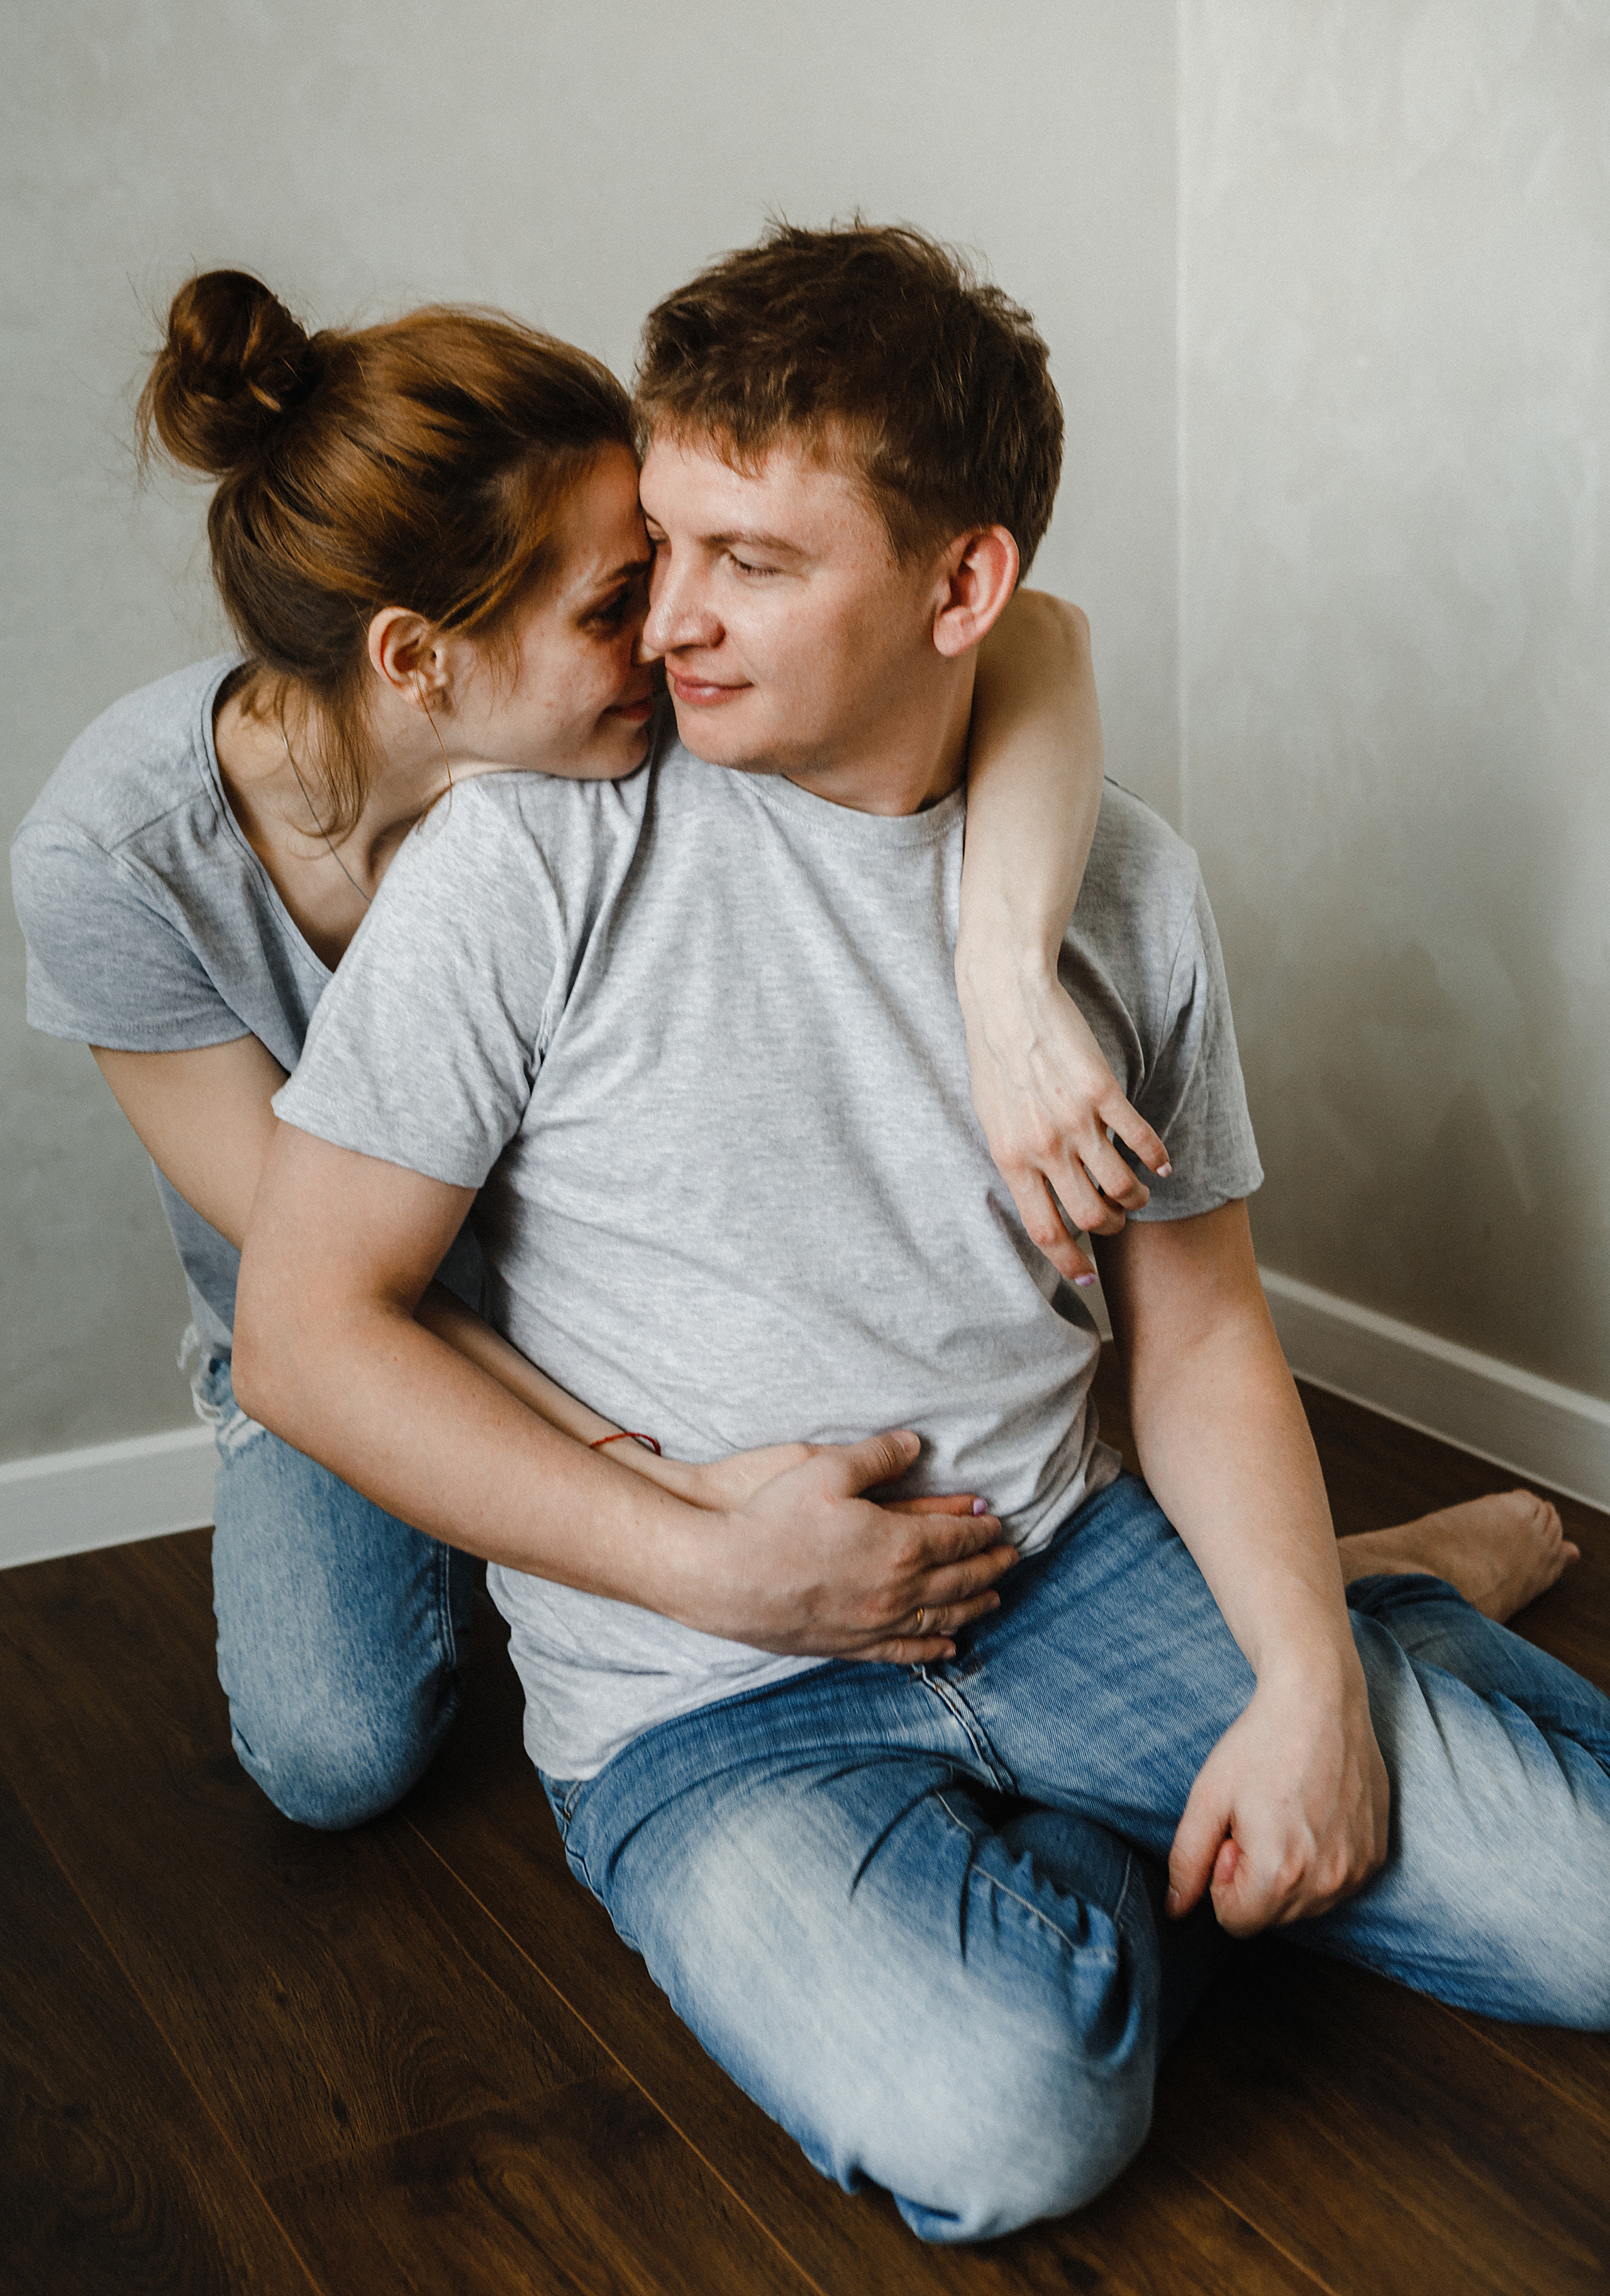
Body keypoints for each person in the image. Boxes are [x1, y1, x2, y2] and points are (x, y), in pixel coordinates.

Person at [234, 221, 1607, 2243]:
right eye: (665, 546)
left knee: (1587, 1920)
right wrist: (718, 1567)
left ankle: (1331, 1638)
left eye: (752, 564)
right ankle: (1270, 1725)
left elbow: (1202, 1332)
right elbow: (302, 1335)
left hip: (1075, 1574)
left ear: (965, 590)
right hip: (707, 1695)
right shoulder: (534, 842)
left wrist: (1306, 1692)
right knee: (1008, 2123)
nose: (669, 623)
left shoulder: (1122, 884)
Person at [11, 268, 1171, 1832]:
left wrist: (1003, 975)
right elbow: (332, 1295)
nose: (673, 631)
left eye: (675, 567)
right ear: (417, 661)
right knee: (332, 1751)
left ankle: (1314, 1595)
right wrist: (666, 1506)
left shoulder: (588, 748)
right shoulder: (116, 864)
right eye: (617, 605)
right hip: (371, 1323)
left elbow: (1028, 630)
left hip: (617, 1295)